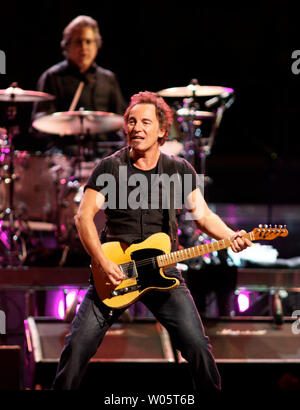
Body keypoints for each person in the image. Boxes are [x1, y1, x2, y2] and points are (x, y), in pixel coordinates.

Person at [52, 91, 252, 391]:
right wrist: (102, 261)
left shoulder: (179, 169)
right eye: (131, 121)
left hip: (163, 270)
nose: (136, 128)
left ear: (162, 131)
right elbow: (83, 217)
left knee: (198, 347)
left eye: (145, 122)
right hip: (116, 270)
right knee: (77, 347)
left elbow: (204, 216)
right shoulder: (110, 168)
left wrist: (231, 237)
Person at [31, 15, 126, 153]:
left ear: (97, 45)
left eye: (89, 41)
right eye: (78, 41)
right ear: (67, 46)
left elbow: (121, 118)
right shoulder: (52, 77)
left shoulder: (108, 79)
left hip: (104, 152)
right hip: (64, 153)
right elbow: (40, 122)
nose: (84, 47)